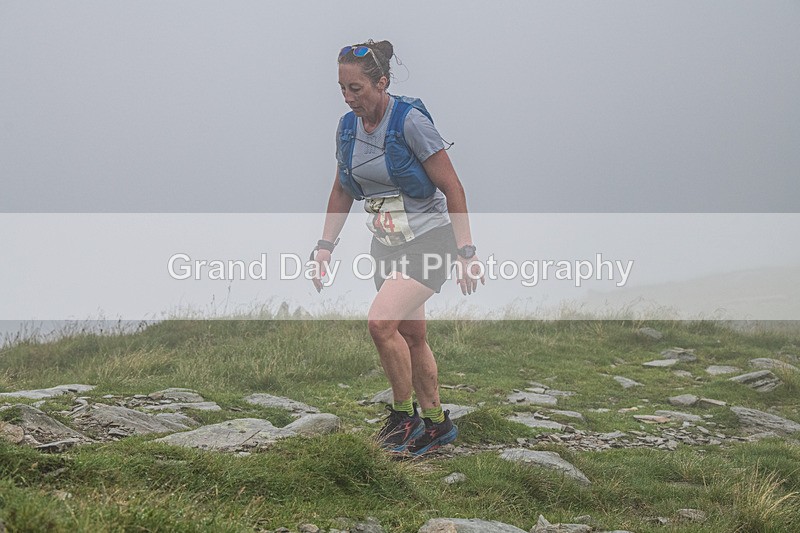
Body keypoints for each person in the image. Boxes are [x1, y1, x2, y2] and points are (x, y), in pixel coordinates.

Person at [312, 39, 484, 457]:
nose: (349, 97)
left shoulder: (409, 123)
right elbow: (342, 189)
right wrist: (324, 247)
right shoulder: (347, 128)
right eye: (342, 88)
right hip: (386, 245)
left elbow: (453, 187)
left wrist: (466, 253)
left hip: (430, 242)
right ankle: (436, 423)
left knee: (380, 323)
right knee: (412, 334)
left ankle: (403, 417)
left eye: (357, 88)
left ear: (382, 82)